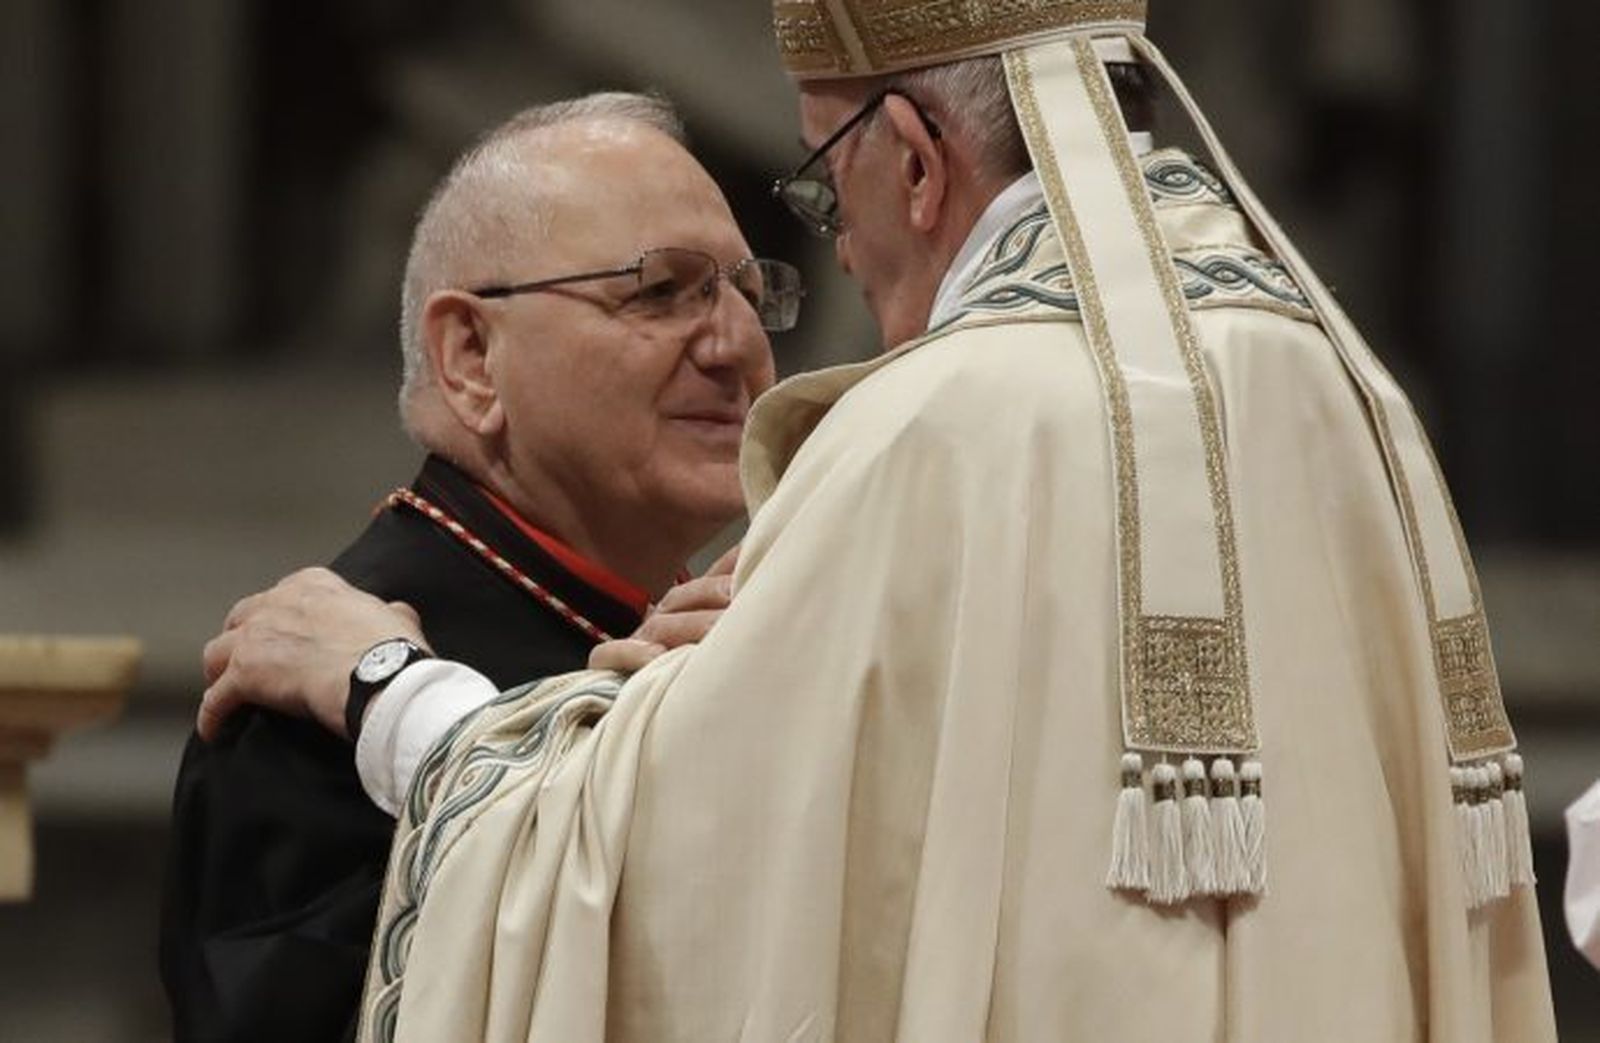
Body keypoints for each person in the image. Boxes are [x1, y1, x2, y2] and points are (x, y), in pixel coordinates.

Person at [200, 3, 1560, 1040]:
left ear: (910, 159)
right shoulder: (1333, 383)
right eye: (663, 289)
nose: (830, 251)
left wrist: (389, 691)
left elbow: (674, 882)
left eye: (817, 180)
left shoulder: (935, 428)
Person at [159, 91, 797, 1042]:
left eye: (750, 291)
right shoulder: (306, 708)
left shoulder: (732, 630)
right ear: (470, 357)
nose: (737, 343)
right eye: (662, 290)